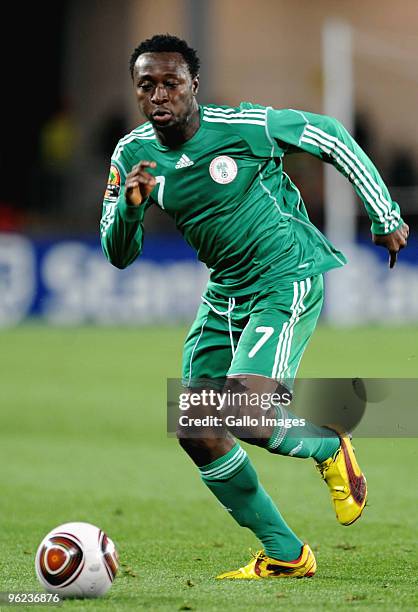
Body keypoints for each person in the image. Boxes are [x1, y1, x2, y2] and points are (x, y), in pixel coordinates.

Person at [100, 34, 409, 579]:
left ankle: (328, 444)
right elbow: (119, 254)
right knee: (197, 426)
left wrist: (384, 213)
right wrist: (130, 208)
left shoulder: (243, 126)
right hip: (226, 293)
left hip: (283, 278)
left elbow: (331, 136)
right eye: (146, 85)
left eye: (171, 83)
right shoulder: (131, 155)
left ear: (194, 85)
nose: (158, 96)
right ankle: (286, 554)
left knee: (247, 413)